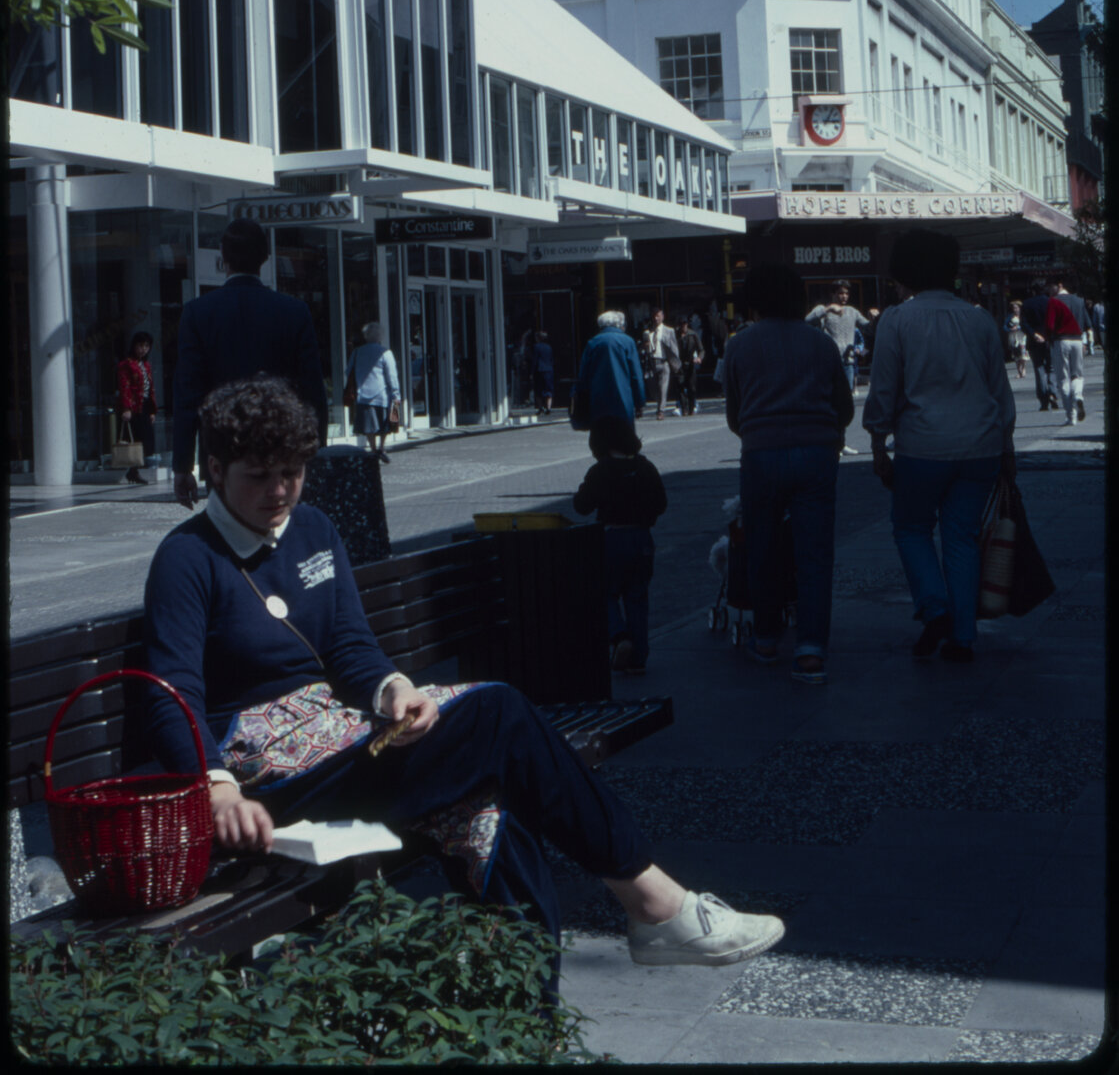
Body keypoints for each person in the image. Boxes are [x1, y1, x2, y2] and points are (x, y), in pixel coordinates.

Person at [143, 375, 784, 993]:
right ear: (215, 470)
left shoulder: (312, 529)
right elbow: (171, 691)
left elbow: (349, 646)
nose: (280, 491)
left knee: (489, 814)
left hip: (345, 738)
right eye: (259, 476)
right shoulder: (187, 558)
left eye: (293, 472)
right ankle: (653, 901)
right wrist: (217, 790)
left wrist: (395, 690)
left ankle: (530, 1028)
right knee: (498, 713)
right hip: (270, 780)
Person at [863, 230, 1016, 664]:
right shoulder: (979, 320)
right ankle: (963, 635)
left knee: (911, 528)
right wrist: (1007, 448)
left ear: (905, 271)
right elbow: (1000, 392)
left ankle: (935, 607)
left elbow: (884, 389)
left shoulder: (896, 320)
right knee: (962, 537)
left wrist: (878, 442)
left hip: (922, 446)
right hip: (981, 446)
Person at [723, 263, 854, 685]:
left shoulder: (739, 345)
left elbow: (734, 414)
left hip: (761, 454)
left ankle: (765, 639)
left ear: (754, 300)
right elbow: (844, 407)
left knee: (762, 546)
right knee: (814, 552)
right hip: (817, 454)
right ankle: (811, 650)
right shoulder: (821, 343)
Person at [172, 218, 329, 507]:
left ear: (223, 257)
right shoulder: (294, 312)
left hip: (223, 456)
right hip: (282, 453)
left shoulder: (198, 313)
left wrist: (182, 465)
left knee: (227, 529)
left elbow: (187, 395)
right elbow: (313, 394)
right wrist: (314, 457)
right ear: (265, 257)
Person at [573, 417, 667, 675]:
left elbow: (581, 506)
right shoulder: (645, 466)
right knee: (637, 597)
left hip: (612, 537)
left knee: (604, 592)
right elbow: (661, 503)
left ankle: (619, 635)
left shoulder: (601, 470)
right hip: (642, 538)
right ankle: (639, 657)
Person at [806, 283, 879, 425]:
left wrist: (874, 319)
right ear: (833, 294)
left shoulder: (852, 312)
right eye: (840, 293)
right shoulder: (822, 309)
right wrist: (828, 309)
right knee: (829, 398)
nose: (844, 296)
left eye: (846, 293)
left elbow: (869, 329)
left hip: (848, 363)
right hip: (829, 362)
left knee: (845, 401)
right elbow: (807, 321)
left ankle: (841, 432)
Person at [573, 311, 646, 431]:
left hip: (598, 400)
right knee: (624, 435)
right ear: (619, 324)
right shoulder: (628, 342)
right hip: (623, 400)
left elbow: (583, 376)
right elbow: (636, 375)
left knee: (601, 435)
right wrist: (640, 402)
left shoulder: (592, 343)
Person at [344, 322, 400, 462]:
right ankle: (382, 447)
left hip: (363, 395)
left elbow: (348, 371)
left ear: (366, 336)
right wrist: (396, 394)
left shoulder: (357, 352)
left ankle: (373, 449)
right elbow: (392, 376)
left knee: (369, 426)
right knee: (385, 424)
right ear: (380, 336)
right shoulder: (385, 353)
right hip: (382, 395)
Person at [1046, 276, 1089, 425]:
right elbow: (1086, 322)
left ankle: (1071, 416)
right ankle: (1078, 396)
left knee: (1063, 379)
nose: (1048, 290)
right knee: (1077, 375)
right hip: (1077, 340)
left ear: (1059, 285)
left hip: (1061, 340)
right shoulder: (1079, 301)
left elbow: (1050, 325)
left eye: (1050, 287)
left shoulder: (1053, 301)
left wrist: (1047, 338)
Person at [117, 330, 157, 485]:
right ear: (134, 346)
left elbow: (150, 388)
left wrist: (152, 410)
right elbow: (125, 387)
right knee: (135, 438)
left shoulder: (146, 365)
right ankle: (133, 471)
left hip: (145, 405)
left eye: (146, 346)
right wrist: (126, 408)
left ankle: (134, 471)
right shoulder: (126, 364)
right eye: (140, 346)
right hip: (134, 407)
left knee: (146, 440)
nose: (143, 349)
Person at [1020, 282, 1057, 411]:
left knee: (1039, 368)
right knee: (1051, 367)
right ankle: (1053, 392)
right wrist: (1048, 335)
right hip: (1049, 339)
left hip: (1034, 340)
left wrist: (1034, 334)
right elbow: (1055, 321)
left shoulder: (1026, 304)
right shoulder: (1051, 302)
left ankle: (1043, 399)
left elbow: (1023, 324)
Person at [642, 308, 681, 420]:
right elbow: (643, 348)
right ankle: (658, 403)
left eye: (658, 316)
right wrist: (645, 346)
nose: (656, 318)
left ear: (662, 317)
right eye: (654, 316)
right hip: (652, 363)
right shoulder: (648, 332)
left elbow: (674, 347)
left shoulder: (669, 331)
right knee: (653, 389)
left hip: (664, 362)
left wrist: (675, 362)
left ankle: (661, 410)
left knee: (663, 388)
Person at [676, 316, 704, 416]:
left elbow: (701, 349)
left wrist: (699, 358)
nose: (683, 326)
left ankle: (691, 407)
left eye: (684, 324)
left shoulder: (693, 334)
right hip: (679, 364)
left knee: (692, 387)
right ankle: (684, 408)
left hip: (690, 363)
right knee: (680, 386)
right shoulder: (676, 335)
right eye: (681, 324)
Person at [530, 330, 554, 415]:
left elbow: (534, 360)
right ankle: (548, 407)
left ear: (538, 338)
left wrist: (531, 372)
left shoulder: (536, 347)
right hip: (549, 370)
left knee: (538, 390)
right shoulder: (549, 347)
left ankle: (540, 408)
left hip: (539, 370)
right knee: (548, 389)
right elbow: (551, 359)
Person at [1004, 301, 1029, 379]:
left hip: (1021, 336)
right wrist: (1010, 329)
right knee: (1016, 354)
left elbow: (1026, 324)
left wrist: (1018, 327)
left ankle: (1023, 368)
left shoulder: (1023, 316)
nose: (1015, 309)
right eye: (1014, 308)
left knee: (1023, 353)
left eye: (1016, 308)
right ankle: (1019, 371)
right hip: (1013, 336)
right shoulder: (1010, 317)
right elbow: (1005, 326)